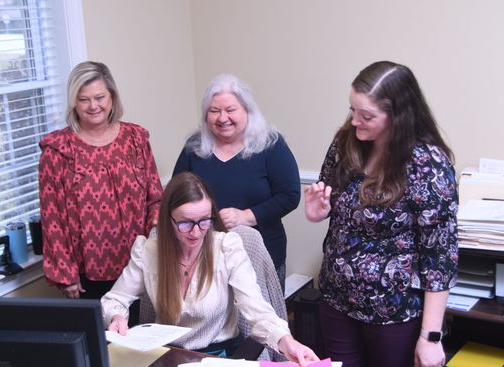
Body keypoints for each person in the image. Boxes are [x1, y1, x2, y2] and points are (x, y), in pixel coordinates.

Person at [304, 61, 458, 367]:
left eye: (367, 116)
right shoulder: (345, 143)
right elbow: (329, 200)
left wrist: (431, 337)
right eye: (352, 110)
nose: (355, 121)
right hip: (337, 300)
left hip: (394, 314)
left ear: (398, 115)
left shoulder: (428, 165)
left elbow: (439, 258)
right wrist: (316, 211)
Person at [102, 172, 318, 366]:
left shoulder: (227, 248)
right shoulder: (148, 251)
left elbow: (257, 308)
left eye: (204, 221)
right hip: (167, 356)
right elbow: (113, 300)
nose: (196, 232)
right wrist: (117, 317)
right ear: (167, 220)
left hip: (216, 358)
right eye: (185, 223)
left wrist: (287, 342)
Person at [39, 61, 163, 300]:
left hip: (138, 266)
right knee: (100, 337)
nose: (93, 106)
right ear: (74, 102)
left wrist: (153, 247)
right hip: (86, 276)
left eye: (99, 97)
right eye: (84, 99)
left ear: (112, 98)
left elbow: (155, 197)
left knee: (140, 334)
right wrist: (65, 274)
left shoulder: (135, 139)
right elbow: (51, 218)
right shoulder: (58, 150)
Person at [172, 74, 300, 290]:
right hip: (204, 256)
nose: (223, 118)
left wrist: (246, 216)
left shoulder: (270, 144)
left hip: (261, 253)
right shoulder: (194, 147)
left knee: (260, 319)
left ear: (247, 110)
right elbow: (176, 194)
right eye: (214, 111)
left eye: (230, 110)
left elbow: (290, 196)